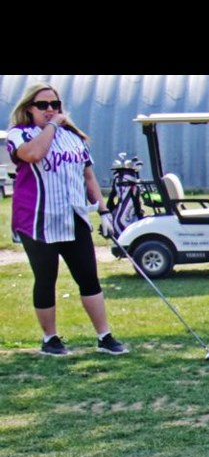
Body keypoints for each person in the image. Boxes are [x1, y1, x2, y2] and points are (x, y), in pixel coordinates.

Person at [6, 83, 128, 356]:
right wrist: (52, 126)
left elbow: (88, 176)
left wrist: (104, 211)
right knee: (46, 278)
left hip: (74, 217)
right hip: (37, 219)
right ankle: (50, 339)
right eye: (43, 105)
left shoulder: (73, 138)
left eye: (55, 105)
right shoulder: (19, 134)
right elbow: (34, 154)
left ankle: (105, 336)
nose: (50, 110)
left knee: (88, 277)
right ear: (29, 108)